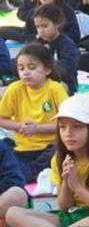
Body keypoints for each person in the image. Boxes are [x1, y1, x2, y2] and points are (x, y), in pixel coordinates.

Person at [6, 94, 89, 227]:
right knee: (12, 213)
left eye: (77, 127)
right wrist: (65, 183)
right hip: (72, 217)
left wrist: (78, 187)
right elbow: (65, 207)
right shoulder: (60, 158)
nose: (68, 133)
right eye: (62, 127)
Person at [0, 43, 68, 181]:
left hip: (51, 146)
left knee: (65, 153)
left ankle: (31, 171)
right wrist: (19, 126)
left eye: (32, 67)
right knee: (5, 148)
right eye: (21, 68)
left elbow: (68, 123)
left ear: (47, 69)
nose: (25, 72)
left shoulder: (55, 89)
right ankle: (36, 171)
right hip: (23, 149)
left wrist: (38, 128)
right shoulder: (14, 89)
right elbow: (2, 118)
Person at [32, 4, 79, 94]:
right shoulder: (37, 43)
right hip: (40, 81)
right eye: (38, 27)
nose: (41, 30)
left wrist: (46, 59)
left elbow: (67, 68)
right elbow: (23, 59)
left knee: (58, 87)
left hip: (63, 83)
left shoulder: (66, 44)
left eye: (44, 26)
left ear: (57, 23)